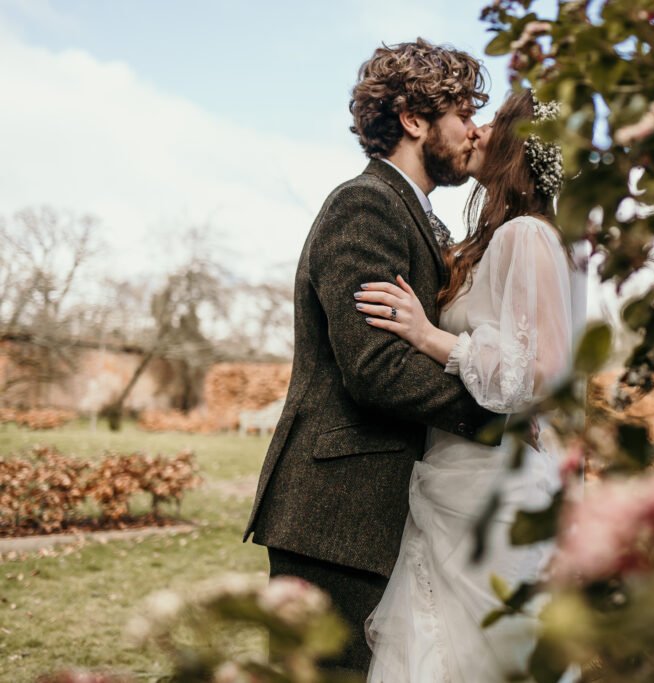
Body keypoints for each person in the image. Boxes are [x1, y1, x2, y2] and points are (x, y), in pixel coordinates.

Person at [243, 38, 504, 674]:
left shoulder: (425, 221)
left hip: (386, 511)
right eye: (464, 114)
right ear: (415, 120)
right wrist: (500, 416)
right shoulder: (365, 204)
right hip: (338, 513)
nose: (474, 131)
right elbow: (375, 368)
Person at [359, 89, 583, 682]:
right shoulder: (497, 238)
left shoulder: (527, 236)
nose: (476, 132)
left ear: (516, 147)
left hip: (491, 484)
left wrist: (429, 336)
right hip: (455, 475)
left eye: (492, 123)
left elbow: (540, 373)